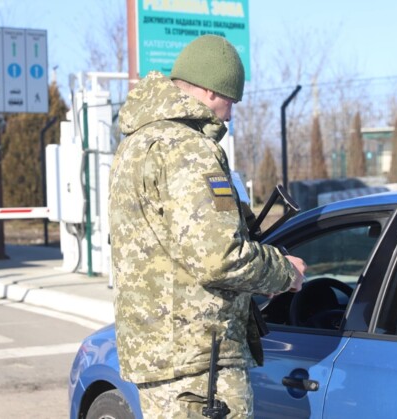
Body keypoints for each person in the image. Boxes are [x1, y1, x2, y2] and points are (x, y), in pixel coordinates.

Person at [109, 35, 306, 418]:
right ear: (213, 89)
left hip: (160, 352)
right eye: (231, 100)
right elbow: (218, 256)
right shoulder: (188, 148)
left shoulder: (136, 144)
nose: (229, 115)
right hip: (200, 361)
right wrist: (285, 272)